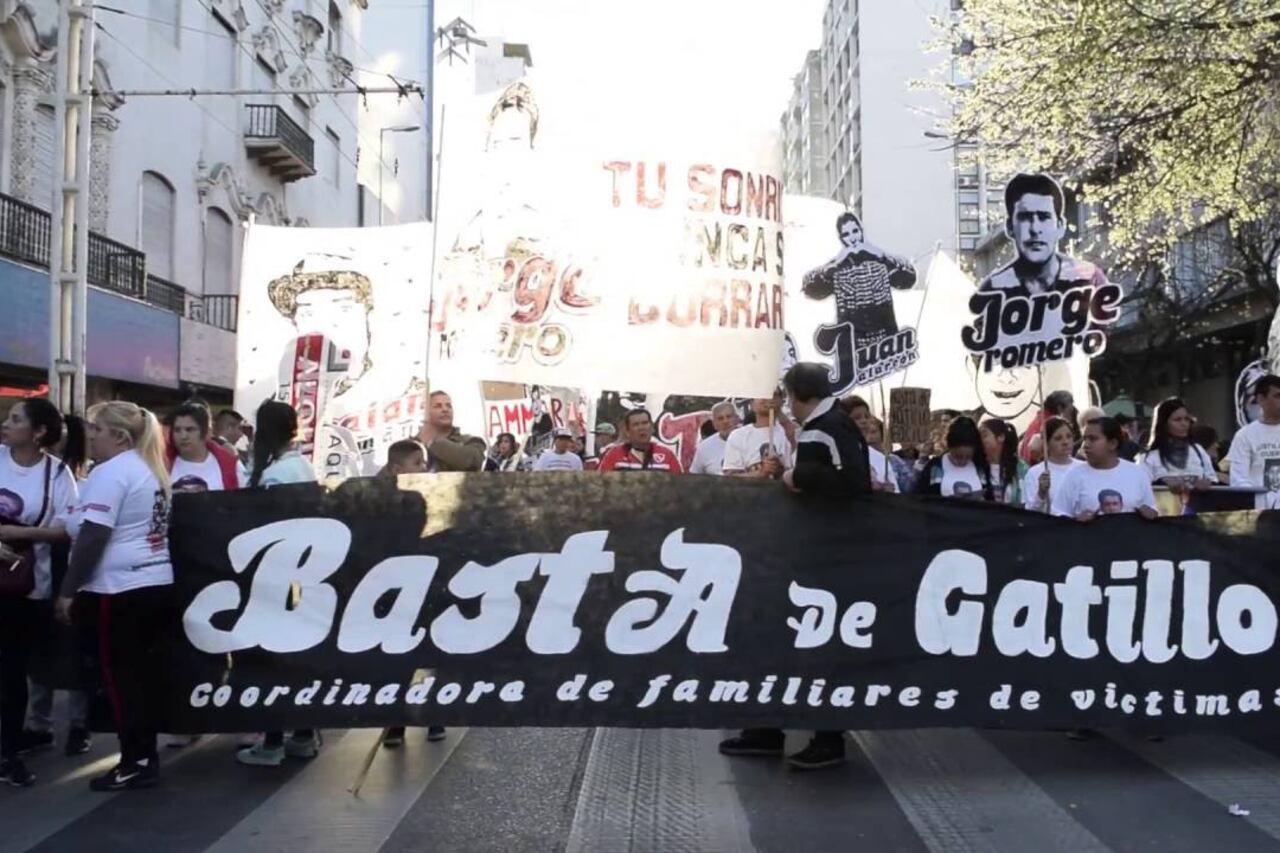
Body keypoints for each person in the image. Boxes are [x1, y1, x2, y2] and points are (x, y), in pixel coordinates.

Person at [721, 363, 870, 772]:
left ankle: (827, 736)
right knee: (778, 641)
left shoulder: (829, 427)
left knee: (818, 649)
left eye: (788, 396)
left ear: (800, 395)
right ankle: (766, 729)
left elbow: (854, 485)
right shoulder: (821, 427)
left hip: (825, 561)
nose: (786, 405)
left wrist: (796, 475)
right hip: (802, 554)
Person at [54, 402, 173, 791]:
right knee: (139, 677)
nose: (88, 435)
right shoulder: (149, 469)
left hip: (119, 589)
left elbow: (93, 535)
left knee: (120, 678)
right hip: (151, 581)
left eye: (95, 429)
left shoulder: (113, 472)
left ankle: (136, 759)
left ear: (119, 436)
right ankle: (142, 755)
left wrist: (69, 589)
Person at [238, 401, 322, 767]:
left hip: (274, 575)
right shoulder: (301, 465)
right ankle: (302, 734)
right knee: (297, 657)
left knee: (271, 658)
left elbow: (261, 520)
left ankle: (271, 741)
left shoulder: (275, 474)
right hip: (303, 575)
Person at [0, 399, 78, 787]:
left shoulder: (58, 474)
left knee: (13, 671)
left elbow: (69, 528)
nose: (6, 424)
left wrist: (19, 534)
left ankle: (7, 751)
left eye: (15, 419)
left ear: (39, 432)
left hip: (27, 585)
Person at [22, 411, 91, 759]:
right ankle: (45, 725)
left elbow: (73, 530)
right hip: (46, 574)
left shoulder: (67, 476)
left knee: (65, 652)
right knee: (47, 654)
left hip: (64, 572)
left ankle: (66, 725)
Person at [372, 439, 446, 750]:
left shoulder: (421, 496)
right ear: (396, 467)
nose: (423, 468)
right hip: (393, 589)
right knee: (398, 660)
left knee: (431, 656)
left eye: (424, 463)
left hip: (422, 587)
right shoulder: (380, 500)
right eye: (416, 463)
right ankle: (396, 721)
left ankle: (434, 716)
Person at [802, 211, 916, 355]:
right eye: (846, 234)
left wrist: (881, 257)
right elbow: (809, 289)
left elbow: (908, 279)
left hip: (884, 340)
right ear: (841, 238)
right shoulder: (837, 266)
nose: (853, 238)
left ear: (862, 231)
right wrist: (835, 266)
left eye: (855, 231)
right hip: (853, 343)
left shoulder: (879, 259)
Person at [1052, 417, 1158, 520]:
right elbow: (1058, 514)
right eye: (1084, 439)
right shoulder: (1074, 475)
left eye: (1093, 439)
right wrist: (1076, 521)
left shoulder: (1137, 474)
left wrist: (1150, 514)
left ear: (1112, 443)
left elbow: (1152, 510)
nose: (1085, 445)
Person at [1225, 374, 1280, 510]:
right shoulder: (1245, 435)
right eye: (1278, 396)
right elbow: (1238, 479)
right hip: (1262, 514)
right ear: (1261, 399)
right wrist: (1267, 501)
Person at [166, 402, 246, 494]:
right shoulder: (160, 465)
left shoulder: (232, 466)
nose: (183, 436)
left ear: (207, 432)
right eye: (177, 430)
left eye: (190, 429)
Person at [1140, 398, 1216, 493]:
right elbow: (1141, 487)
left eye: (1186, 419)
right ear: (1164, 424)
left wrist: (1206, 483)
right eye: (1177, 420)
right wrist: (1162, 482)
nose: (1184, 424)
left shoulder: (1198, 451)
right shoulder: (1149, 457)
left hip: (1197, 505)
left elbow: (1212, 478)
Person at [915, 417, 995, 500]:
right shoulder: (935, 467)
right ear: (949, 448)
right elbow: (918, 499)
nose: (962, 461)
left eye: (968, 457)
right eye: (958, 456)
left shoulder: (981, 468)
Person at [1021, 417, 1084, 513]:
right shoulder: (1035, 473)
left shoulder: (1083, 468)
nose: (1065, 442)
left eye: (1069, 436)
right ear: (1047, 443)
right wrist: (1041, 494)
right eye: (1058, 438)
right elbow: (1030, 512)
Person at [721, 396, 791, 480]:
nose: (769, 397)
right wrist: (761, 473)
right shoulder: (739, 435)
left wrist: (779, 469)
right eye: (763, 394)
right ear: (752, 403)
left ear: (780, 402)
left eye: (775, 394)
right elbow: (730, 477)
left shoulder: (789, 432)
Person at [417, 391, 486, 473]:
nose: (445, 409)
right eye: (438, 406)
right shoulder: (411, 445)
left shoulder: (470, 441)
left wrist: (432, 442)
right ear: (425, 413)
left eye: (449, 406)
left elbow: (470, 461)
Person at [597, 410, 683, 473]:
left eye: (645, 423)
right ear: (627, 431)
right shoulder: (614, 454)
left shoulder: (667, 455)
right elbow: (600, 483)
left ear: (652, 428)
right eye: (636, 425)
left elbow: (680, 487)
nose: (641, 428)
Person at [1018, 389, 1075, 462]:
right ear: (1060, 408)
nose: (1072, 410)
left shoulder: (1039, 419)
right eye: (1070, 408)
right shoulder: (1051, 425)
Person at [864, 416, 914, 493]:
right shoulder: (857, 461)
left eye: (873, 432)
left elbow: (910, 486)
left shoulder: (894, 460)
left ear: (882, 434)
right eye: (865, 433)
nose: (869, 437)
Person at [980, 419, 1025, 505]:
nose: (980, 440)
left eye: (984, 435)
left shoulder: (1021, 469)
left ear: (1000, 437)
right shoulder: (977, 468)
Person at [688, 402, 738, 475]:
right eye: (720, 419)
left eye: (729, 416)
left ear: (736, 419)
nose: (725, 421)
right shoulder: (704, 448)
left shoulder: (749, 440)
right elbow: (693, 477)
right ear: (714, 424)